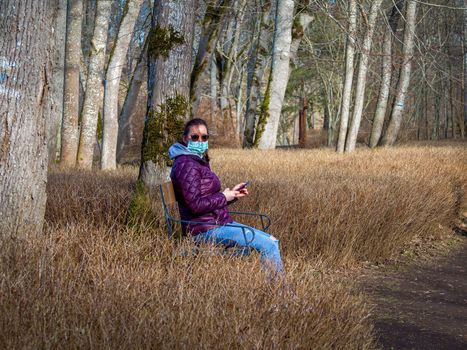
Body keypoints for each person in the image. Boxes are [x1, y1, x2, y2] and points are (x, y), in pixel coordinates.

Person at [168, 118, 284, 275]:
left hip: (216, 223)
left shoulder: (195, 161)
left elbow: (205, 199)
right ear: (185, 139)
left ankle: (275, 292)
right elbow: (195, 205)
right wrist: (224, 196)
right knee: (269, 245)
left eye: (204, 137)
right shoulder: (187, 164)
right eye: (195, 137)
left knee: (271, 240)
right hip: (205, 230)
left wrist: (232, 195)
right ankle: (280, 295)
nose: (200, 140)